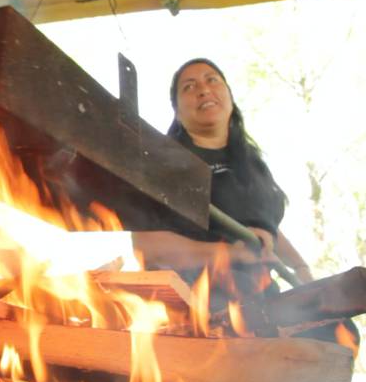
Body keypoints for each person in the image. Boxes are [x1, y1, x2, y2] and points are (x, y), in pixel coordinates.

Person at [132, 58, 314, 314]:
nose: (203, 89)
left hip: (261, 305)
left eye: (212, 80)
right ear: (177, 112)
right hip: (197, 309)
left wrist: (302, 272)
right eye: (189, 87)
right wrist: (230, 253)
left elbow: (268, 230)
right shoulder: (165, 166)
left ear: (229, 95)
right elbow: (149, 249)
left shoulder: (253, 164)